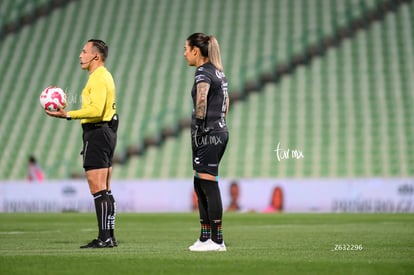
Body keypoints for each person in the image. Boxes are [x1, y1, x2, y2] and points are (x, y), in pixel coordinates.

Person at [45, 39, 118, 248]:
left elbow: (95, 111)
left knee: (98, 189)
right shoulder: (104, 76)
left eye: (84, 51)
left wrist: (68, 114)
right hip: (106, 131)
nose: (80, 55)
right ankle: (109, 236)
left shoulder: (98, 77)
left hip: (97, 132)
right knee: (105, 188)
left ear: (96, 56)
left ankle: (104, 238)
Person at [184, 33, 229, 252]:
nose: (184, 53)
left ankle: (217, 240)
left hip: (207, 133)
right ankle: (204, 237)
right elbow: (226, 103)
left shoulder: (203, 72)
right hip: (217, 131)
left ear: (195, 51)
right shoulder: (218, 71)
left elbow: (201, 99)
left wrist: (201, 128)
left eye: (186, 48)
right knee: (199, 182)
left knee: (209, 183)